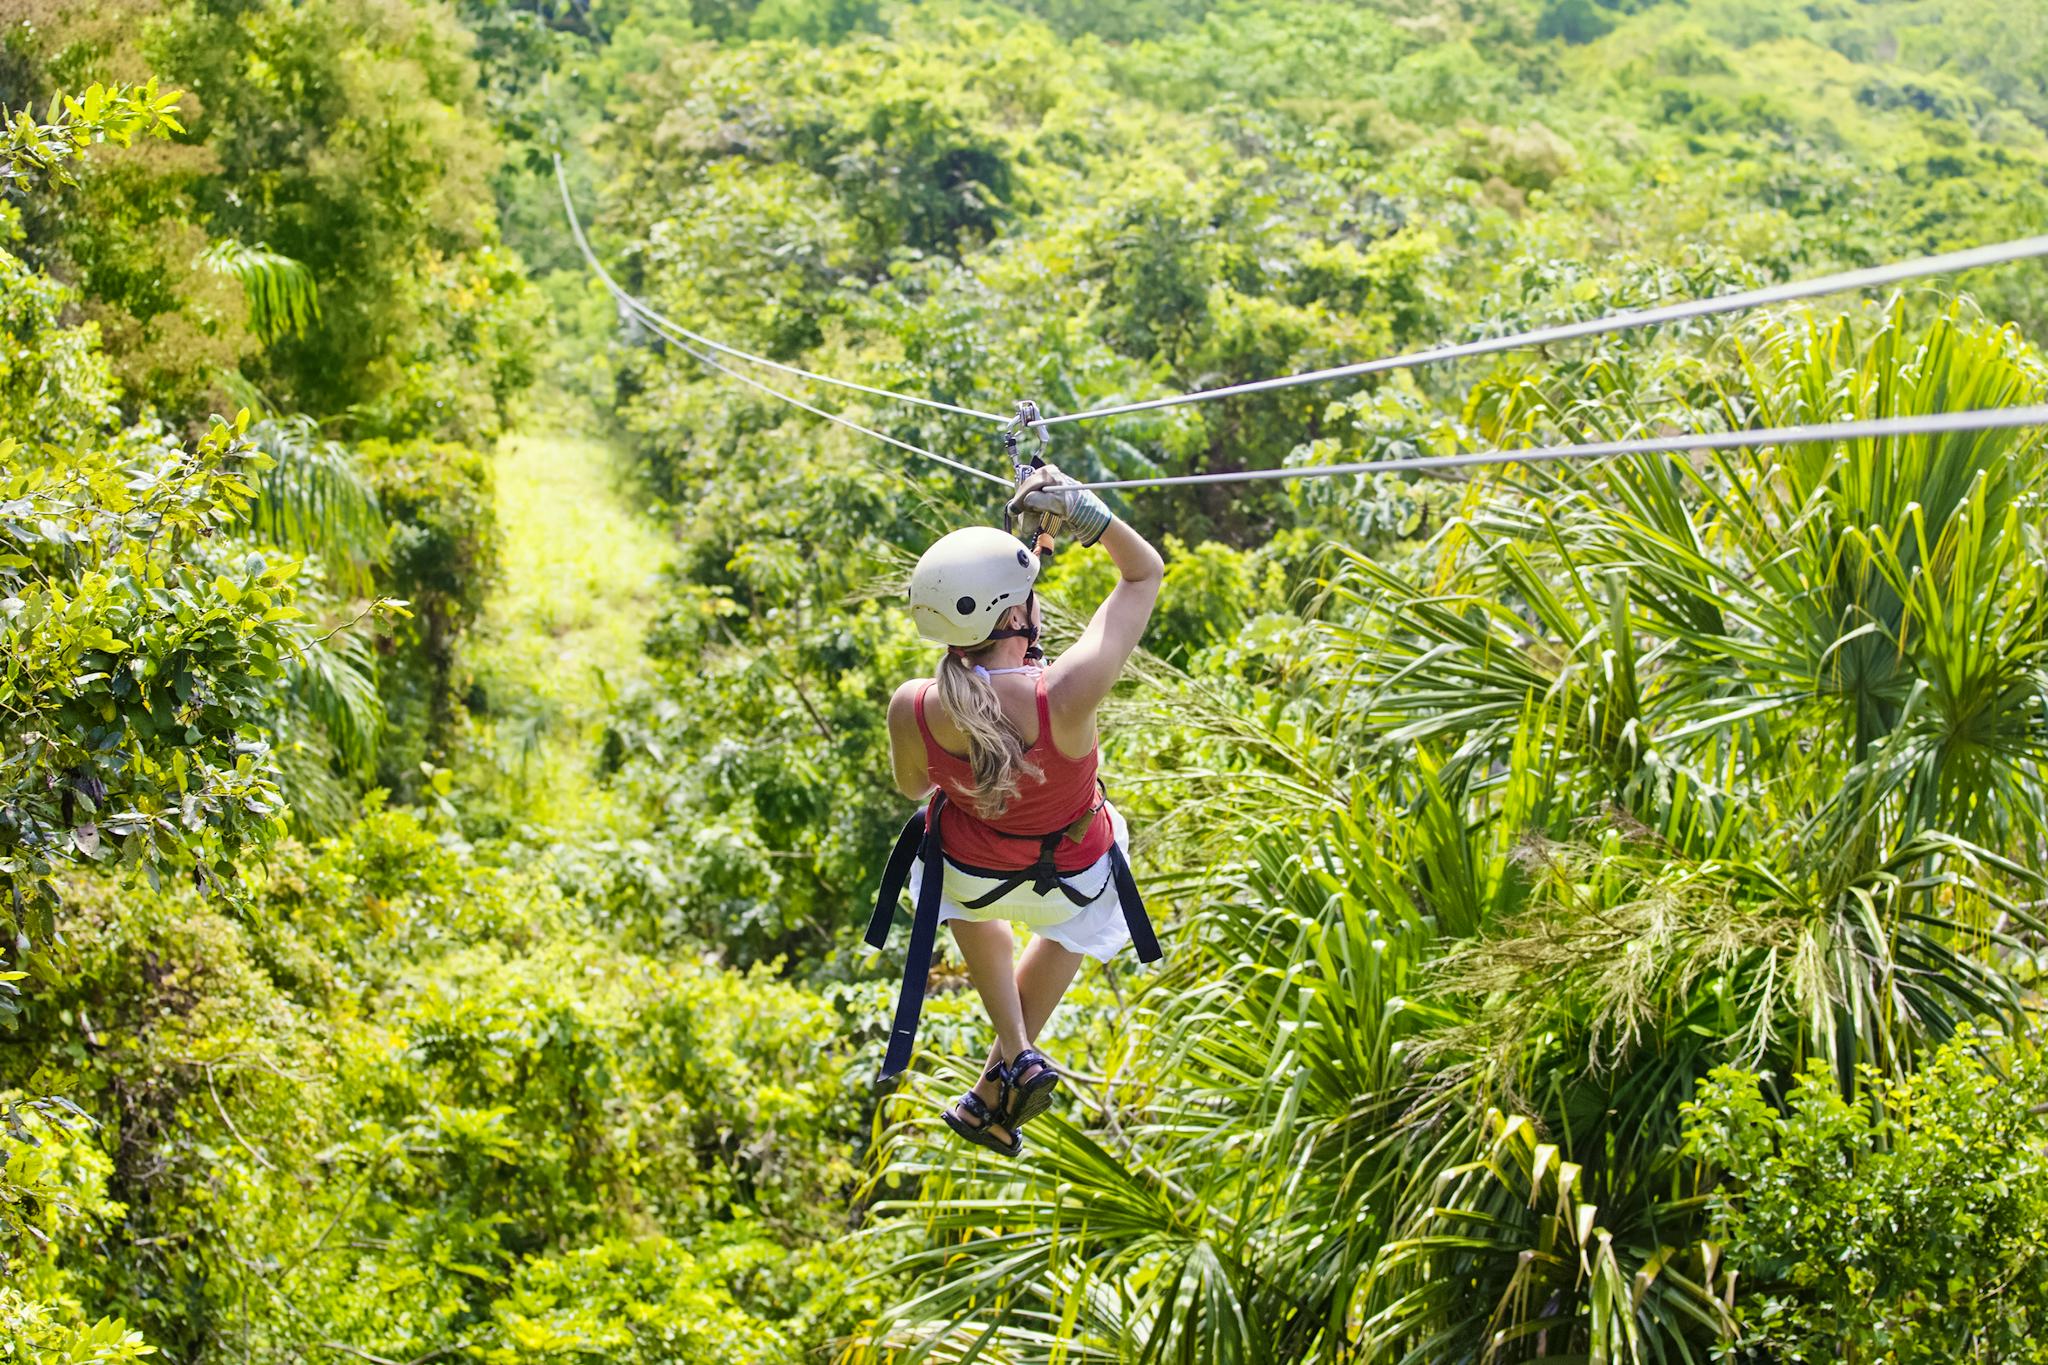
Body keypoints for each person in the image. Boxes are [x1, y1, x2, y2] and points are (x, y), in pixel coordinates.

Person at [876, 464, 1164, 1156]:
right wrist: (1088, 515)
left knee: (943, 857)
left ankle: (1007, 1065)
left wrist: (1030, 546)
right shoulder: (1065, 690)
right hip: (1074, 874)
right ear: (1016, 616)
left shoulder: (915, 704)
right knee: (1100, 857)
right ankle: (1006, 1066)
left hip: (976, 876)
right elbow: (1143, 574)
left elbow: (914, 790)